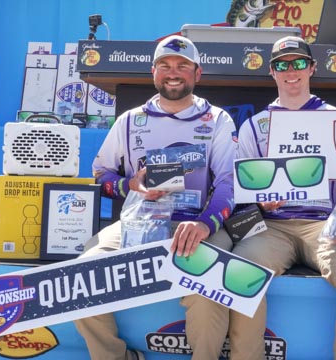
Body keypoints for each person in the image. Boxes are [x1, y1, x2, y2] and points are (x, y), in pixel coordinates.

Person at [196, 35, 336, 359]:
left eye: (299, 63)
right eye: (282, 65)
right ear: (272, 72)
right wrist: (258, 202)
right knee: (240, 271)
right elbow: (240, 191)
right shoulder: (256, 126)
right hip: (272, 227)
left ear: (312, 68)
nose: (291, 71)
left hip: (325, 225)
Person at [73, 35, 237, 360]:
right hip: (139, 222)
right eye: (165, 65)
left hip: (196, 224)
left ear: (197, 73)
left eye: (182, 66)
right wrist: (129, 186)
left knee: (208, 289)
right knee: (82, 277)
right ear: (153, 72)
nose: (173, 73)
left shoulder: (217, 120)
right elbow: (101, 174)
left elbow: (230, 184)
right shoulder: (131, 120)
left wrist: (204, 225)